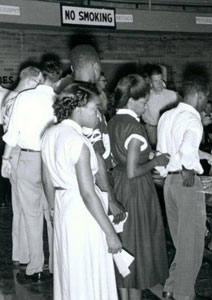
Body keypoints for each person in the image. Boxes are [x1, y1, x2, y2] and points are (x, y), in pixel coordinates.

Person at [41, 84, 121, 300]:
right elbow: (88, 193)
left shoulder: (50, 134)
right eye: (95, 108)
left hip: (63, 207)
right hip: (84, 213)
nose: (98, 113)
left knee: (71, 271)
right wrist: (110, 233)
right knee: (88, 271)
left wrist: (52, 208)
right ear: (78, 108)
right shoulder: (79, 142)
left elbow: (47, 179)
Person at [107, 74, 169, 300]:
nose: (146, 106)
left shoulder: (113, 122)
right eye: (144, 102)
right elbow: (134, 170)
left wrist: (144, 155)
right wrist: (156, 161)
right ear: (131, 100)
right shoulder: (134, 126)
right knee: (138, 248)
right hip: (136, 190)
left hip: (120, 185)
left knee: (126, 247)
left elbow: (119, 160)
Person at [1, 59, 61, 283]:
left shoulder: (25, 98)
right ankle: (56, 266)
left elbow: (13, 133)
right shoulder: (59, 100)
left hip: (27, 158)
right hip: (51, 161)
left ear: (42, 76)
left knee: (31, 216)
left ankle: (35, 269)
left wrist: (6, 158)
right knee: (52, 215)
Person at [56, 44, 125, 224]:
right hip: (95, 183)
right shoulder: (86, 101)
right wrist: (110, 198)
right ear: (96, 67)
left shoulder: (67, 95)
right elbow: (95, 154)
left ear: (72, 68)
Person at [157, 73, 209, 300]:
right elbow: (188, 148)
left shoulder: (166, 116)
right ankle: (184, 295)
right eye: (206, 97)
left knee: (181, 241)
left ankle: (170, 287)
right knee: (193, 244)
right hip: (186, 182)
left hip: (169, 181)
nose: (206, 102)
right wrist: (188, 166)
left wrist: (166, 173)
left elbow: (161, 152)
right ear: (199, 95)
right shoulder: (192, 118)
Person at [1, 66, 42, 267]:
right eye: (37, 83)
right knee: (25, 208)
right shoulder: (20, 99)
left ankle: (19, 252)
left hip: (14, 154)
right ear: (29, 82)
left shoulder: (9, 97)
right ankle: (25, 255)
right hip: (18, 152)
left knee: (20, 208)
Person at [142, 64, 177, 147]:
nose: (159, 83)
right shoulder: (146, 96)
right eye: (156, 81)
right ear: (150, 82)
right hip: (153, 133)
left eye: (161, 80)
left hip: (169, 131)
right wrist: (147, 126)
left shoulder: (172, 95)